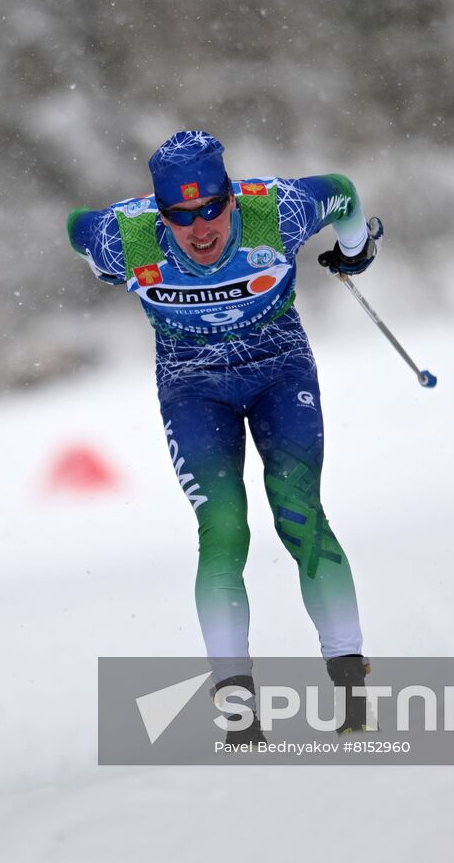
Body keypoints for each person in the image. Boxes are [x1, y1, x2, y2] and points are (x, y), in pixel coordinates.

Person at [66, 130, 381, 740]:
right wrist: (104, 266)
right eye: (180, 217)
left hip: (278, 368)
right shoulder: (126, 237)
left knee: (299, 511)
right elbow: (78, 226)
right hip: (192, 385)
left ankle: (352, 692)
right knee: (225, 526)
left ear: (232, 197)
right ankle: (238, 709)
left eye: (212, 208)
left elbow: (340, 193)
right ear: (160, 214)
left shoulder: (275, 209)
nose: (200, 229)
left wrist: (355, 248)